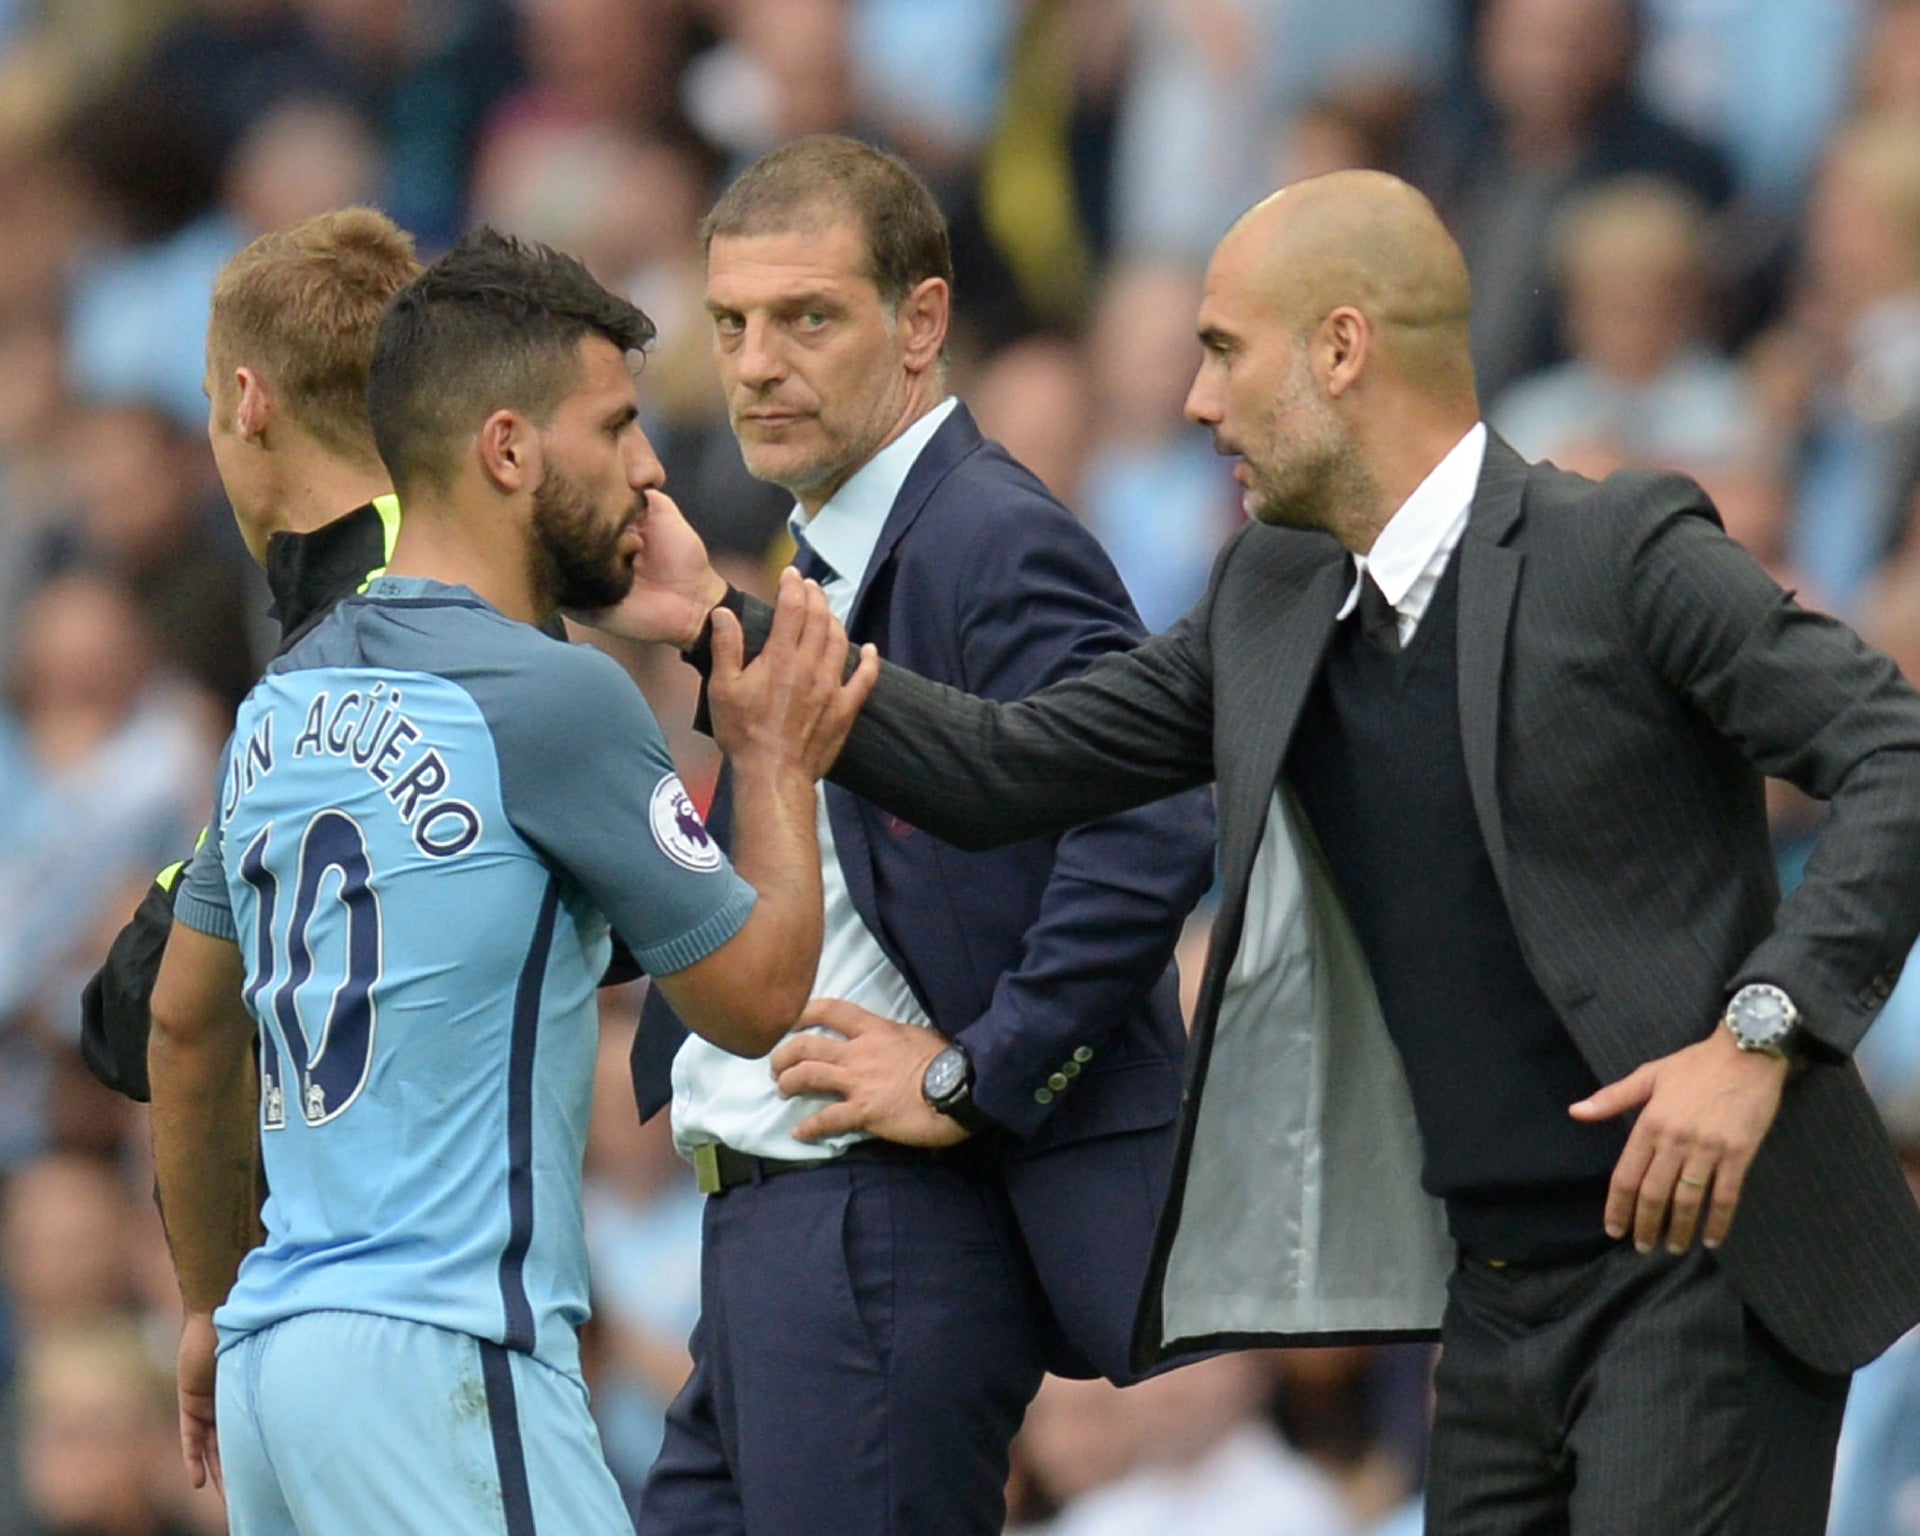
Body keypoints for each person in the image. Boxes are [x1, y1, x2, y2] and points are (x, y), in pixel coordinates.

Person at [664, 168, 1920, 1533]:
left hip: (1699, 1262)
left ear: (1343, 349)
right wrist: (710, 614)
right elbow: (1011, 769)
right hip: (1490, 1290)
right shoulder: (1275, 590)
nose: (1196, 401)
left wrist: (1759, 1035)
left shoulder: (1619, 549)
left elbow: (1915, 762)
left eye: (1226, 350)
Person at [146, 230, 876, 1535]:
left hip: (273, 1374)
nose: (651, 465)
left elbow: (188, 1026)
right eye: (618, 425)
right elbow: (760, 1000)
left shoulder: (281, 696)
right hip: (444, 1359)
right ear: (508, 451)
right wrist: (773, 759)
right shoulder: (554, 704)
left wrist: (208, 1304)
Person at [626, 134, 1214, 1536]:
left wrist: (976, 1074)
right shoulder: (835, 541)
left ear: (923, 324)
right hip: (785, 1230)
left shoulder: (986, 536)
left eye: (807, 318)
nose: (758, 362)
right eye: (732, 325)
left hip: (874, 1233)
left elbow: (1157, 808)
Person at [80, 206, 423, 1104]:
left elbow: (131, 1015)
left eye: (205, 403)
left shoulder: (364, 631)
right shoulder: (440, 578)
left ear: (248, 400)